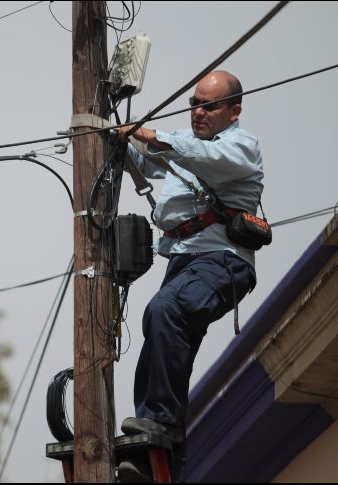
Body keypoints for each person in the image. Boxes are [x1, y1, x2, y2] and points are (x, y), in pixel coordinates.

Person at [116, 71, 262, 482]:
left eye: (209, 105)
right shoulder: (185, 143)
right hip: (184, 263)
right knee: (163, 334)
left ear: (234, 111)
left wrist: (146, 134)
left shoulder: (241, 147)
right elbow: (147, 157)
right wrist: (115, 138)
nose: (198, 111)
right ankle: (155, 456)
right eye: (195, 103)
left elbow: (196, 155)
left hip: (222, 261)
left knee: (165, 310)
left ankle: (157, 422)